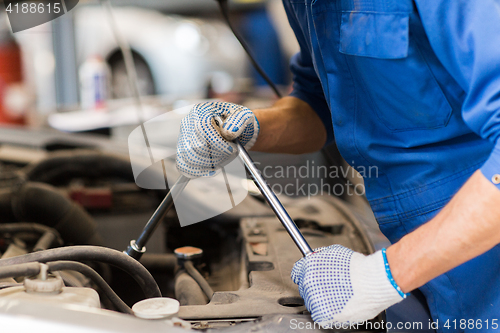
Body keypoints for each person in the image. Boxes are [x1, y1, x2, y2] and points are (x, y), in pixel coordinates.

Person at [175, 0, 500, 331]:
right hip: (414, 243)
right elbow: (321, 102)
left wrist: (382, 276)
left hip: (483, 238)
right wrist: (251, 127)